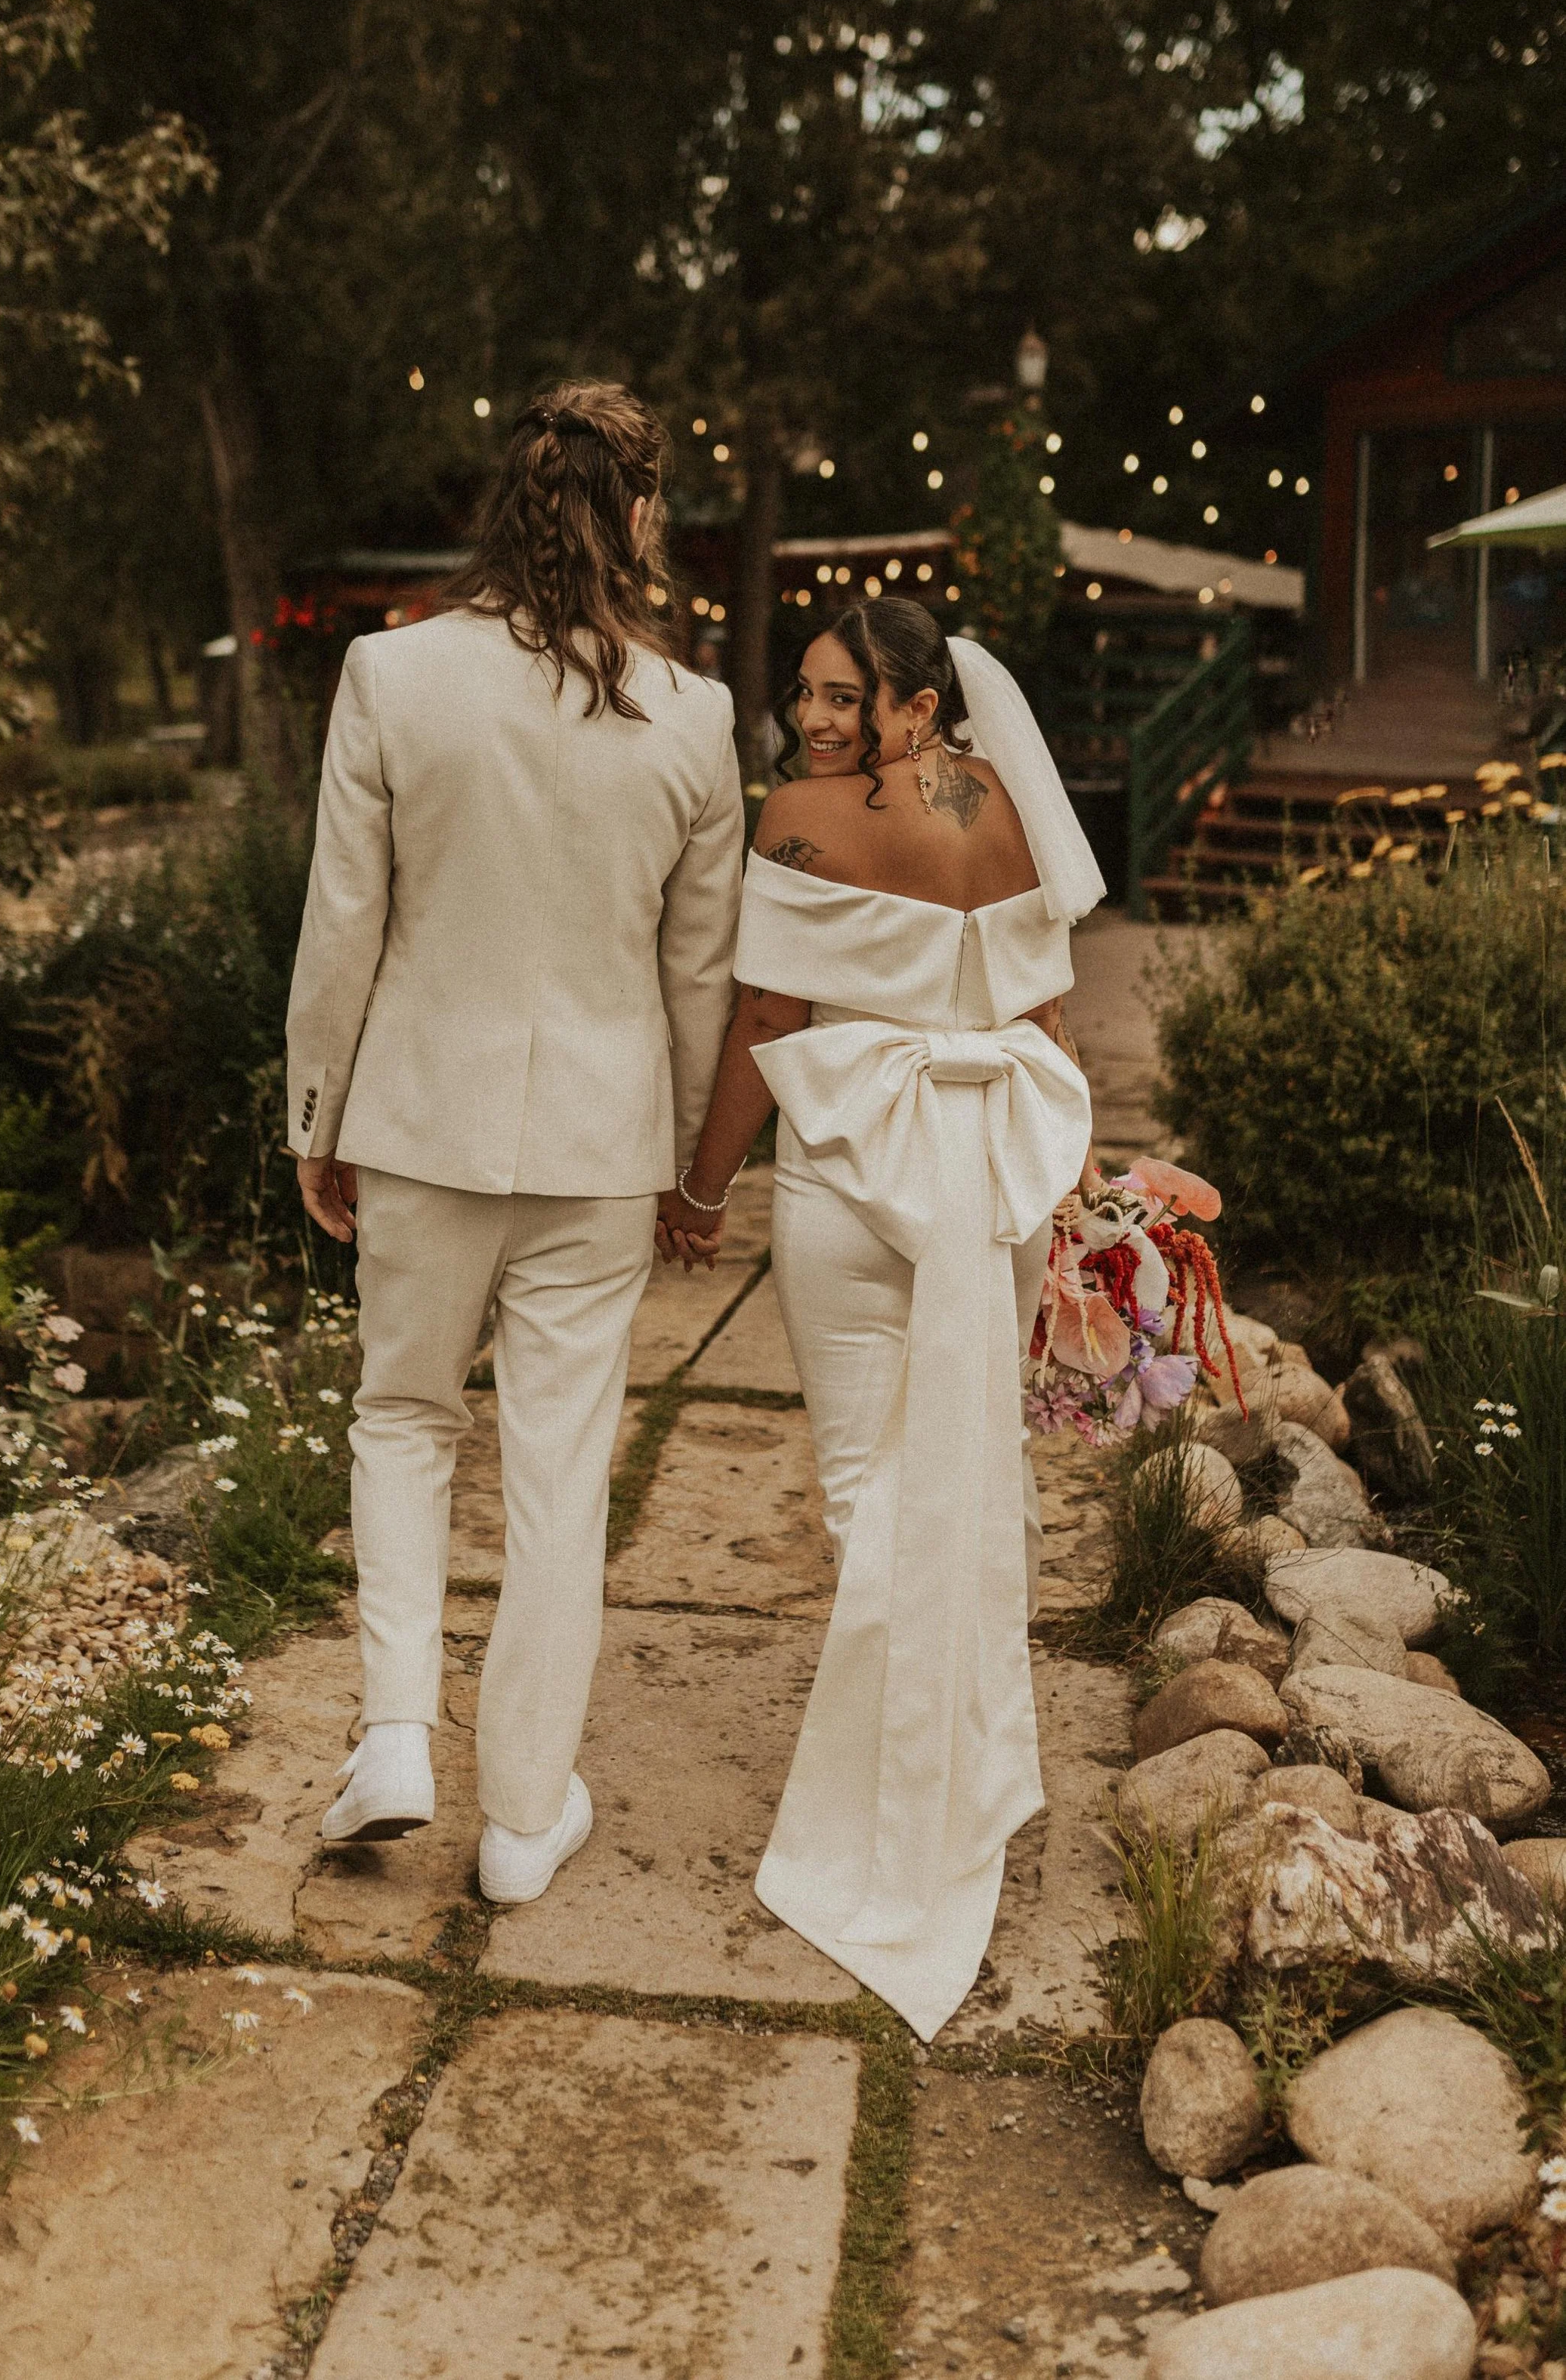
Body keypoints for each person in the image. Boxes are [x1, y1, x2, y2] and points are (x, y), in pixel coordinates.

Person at [286, 379, 743, 1903]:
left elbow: (344, 923)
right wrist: (690, 1169)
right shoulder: (691, 717)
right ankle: (522, 1819)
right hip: (601, 1150)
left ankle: (397, 1734)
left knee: (404, 1418)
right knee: (559, 1471)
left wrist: (316, 1111)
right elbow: (699, 973)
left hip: (418, 1119)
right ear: (639, 516)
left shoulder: (391, 676)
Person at [672, 599, 1102, 2038]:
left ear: (921, 702)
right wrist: (1077, 1180)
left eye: (846, 694)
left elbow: (764, 1022)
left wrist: (702, 1179)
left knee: (868, 1493)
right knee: (975, 1464)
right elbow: (1044, 1013)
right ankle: (965, 1774)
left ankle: (904, 1814)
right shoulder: (1018, 815)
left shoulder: (803, 818)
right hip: (995, 1181)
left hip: (859, 1174)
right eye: (804, 694)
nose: (814, 718)